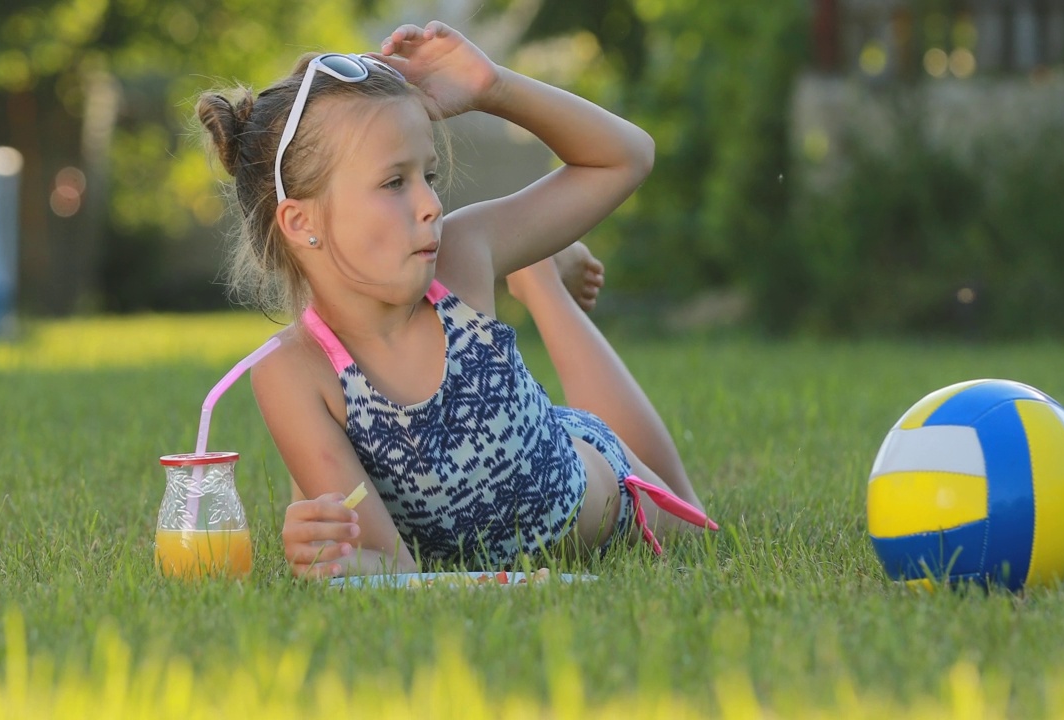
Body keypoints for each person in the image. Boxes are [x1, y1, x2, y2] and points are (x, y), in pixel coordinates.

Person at [196, 21, 717, 579]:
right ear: (301, 222)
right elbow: (388, 566)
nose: (430, 204)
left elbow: (627, 157)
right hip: (519, 455)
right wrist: (328, 553)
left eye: (430, 175)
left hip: (605, 491)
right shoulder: (292, 373)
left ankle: (538, 280)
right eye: (394, 182)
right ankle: (537, 264)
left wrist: (493, 89)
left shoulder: (461, 259)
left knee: (699, 533)